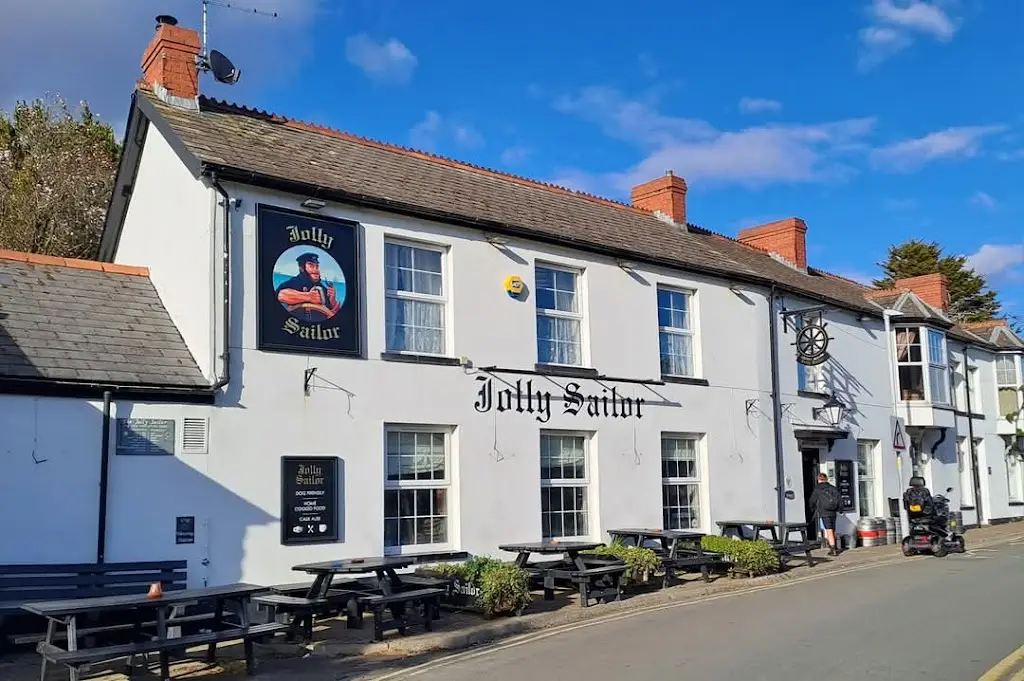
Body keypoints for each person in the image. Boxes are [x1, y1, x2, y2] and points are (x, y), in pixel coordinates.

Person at [808, 472, 841, 556]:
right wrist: (840, 509)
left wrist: (811, 509)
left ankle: (833, 549)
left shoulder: (818, 489)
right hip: (833, 512)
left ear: (818, 479)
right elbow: (839, 499)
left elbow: (812, 501)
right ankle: (833, 546)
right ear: (826, 479)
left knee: (829, 530)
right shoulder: (833, 488)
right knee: (833, 529)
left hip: (824, 512)